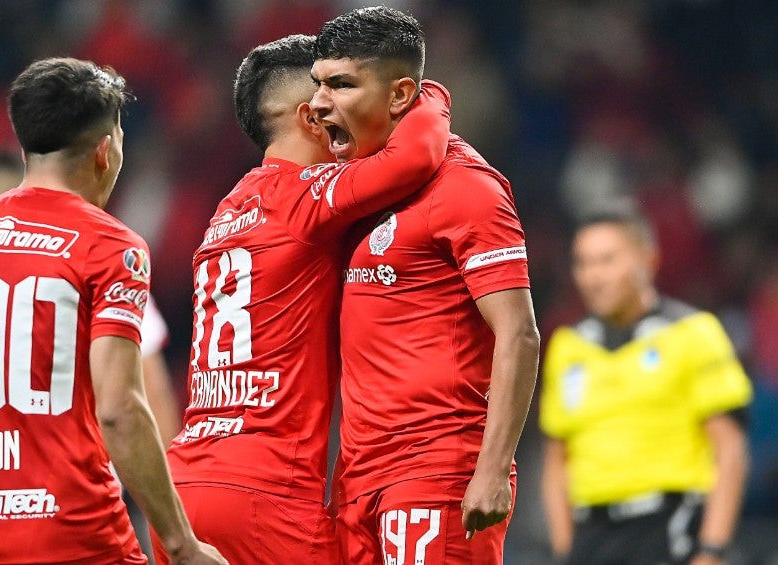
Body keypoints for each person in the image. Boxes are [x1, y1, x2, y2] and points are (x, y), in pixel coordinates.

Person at [0, 57, 225, 565]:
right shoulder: (110, 245)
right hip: (78, 541)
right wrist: (182, 546)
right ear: (105, 150)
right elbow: (121, 411)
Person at [155, 34, 452, 564]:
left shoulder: (227, 209)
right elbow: (420, 154)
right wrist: (420, 92)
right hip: (264, 491)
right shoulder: (307, 195)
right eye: (330, 95)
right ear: (310, 117)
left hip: (185, 488)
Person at [310, 7, 540, 564]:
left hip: (438, 471)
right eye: (318, 84)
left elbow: (520, 334)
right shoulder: (357, 191)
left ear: (399, 95)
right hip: (358, 477)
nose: (319, 104)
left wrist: (490, 472)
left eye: (341, 84)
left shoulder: (468, 189)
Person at [539, 208, 752, 565]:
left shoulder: (694, 333)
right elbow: (556, 462)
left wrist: (712, 550)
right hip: (591, 534)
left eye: (607, 260)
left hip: (669, 527)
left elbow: (729, 450)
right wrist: (565, 549)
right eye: (583, 263)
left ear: (648, 260)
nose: (593, 276)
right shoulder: (568, 347)